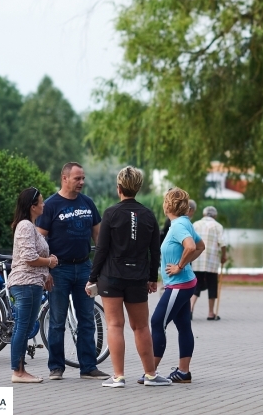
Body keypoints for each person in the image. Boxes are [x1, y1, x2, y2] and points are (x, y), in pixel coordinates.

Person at [87, 166, 171, 387]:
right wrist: (152, 278)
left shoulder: (111, 213)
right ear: (138, 188)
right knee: (141, 327)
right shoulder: (148, 215)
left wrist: (92, 278)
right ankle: (150, 375)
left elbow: (102, 249)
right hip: (138, 277)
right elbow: (155, 250)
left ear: (119, 188)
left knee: (115, 325)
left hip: (111, 276)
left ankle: (118, 377)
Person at [35, 162, 109, 381]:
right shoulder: (50, 205)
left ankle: (89, 367)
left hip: (85, 267)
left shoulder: (88, 203)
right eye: (77, 178)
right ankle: (56, 367)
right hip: (59, 270)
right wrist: (45, 270)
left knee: (87, 318)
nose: (82, 182)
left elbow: (99, 236)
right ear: (64, 178)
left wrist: (101, 266)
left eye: (83, 178)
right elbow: (39, 240)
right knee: (57, 321)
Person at [146, 188, 205, 384]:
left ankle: (151, 372)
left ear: (168, 205)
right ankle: (183, 372)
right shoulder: (184, 222)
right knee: (183, 325)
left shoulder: (179, 225)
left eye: (165, 201)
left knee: (157, 322)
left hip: (179, 284)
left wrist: (180, 266)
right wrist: (185, 264)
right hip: (185, 283)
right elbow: (201, 246)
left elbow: (191, 246)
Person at [8, 187, 57, 383]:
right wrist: (50, 262)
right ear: (32, 206)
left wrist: (46, 273)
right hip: (25, 283)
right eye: (41, 202)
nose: (44, 205)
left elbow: (35, 256)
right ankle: (18, 371)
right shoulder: (25, 226)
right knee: (22, 327)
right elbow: (29, 258)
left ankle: (20, 370)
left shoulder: (31, 226)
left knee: (26, 326)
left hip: (33, 283)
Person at [190, 206, 226, 321]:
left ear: (204, 214)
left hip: (197, 259)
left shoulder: (195, 224)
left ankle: (190, 308)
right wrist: (224, 256)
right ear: (215, 215)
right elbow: (222, 243)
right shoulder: (218, 226)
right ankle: (211, 313)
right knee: (212, 285)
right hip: (212, 261)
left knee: (196, 285)